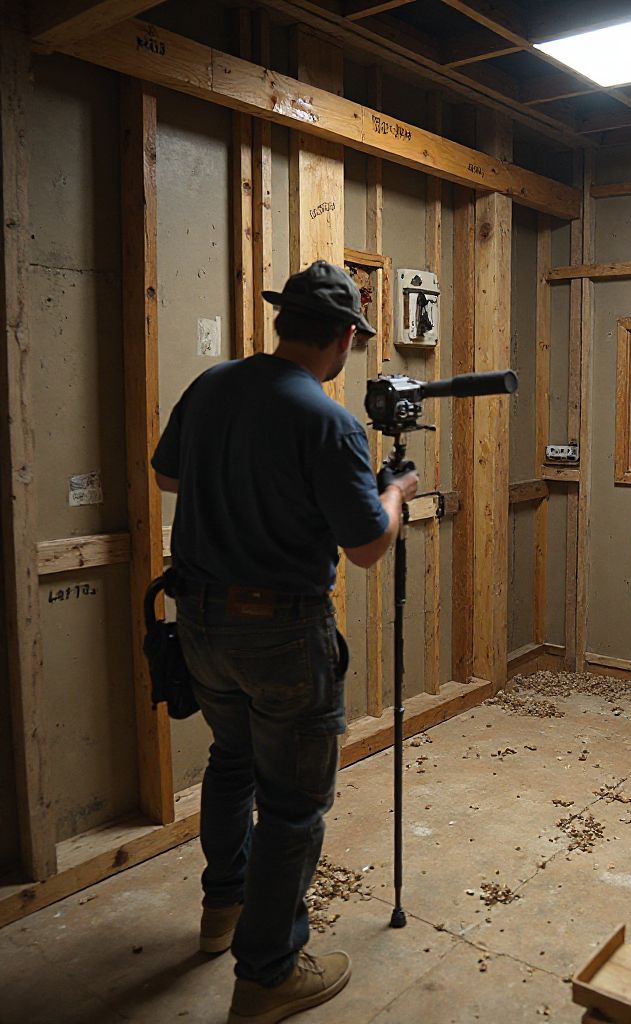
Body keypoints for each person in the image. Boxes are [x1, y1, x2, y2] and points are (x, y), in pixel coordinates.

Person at [151, 260, 418, 1024]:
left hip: (200, 623)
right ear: (341, 336)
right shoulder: (328, 420)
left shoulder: (212, 385)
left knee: (232, 763)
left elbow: (168, 477)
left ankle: (222, 910)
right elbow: (367, 547)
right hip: (281, 634)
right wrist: (394, 491)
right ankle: (267, 974)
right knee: (295, 803)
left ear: (282, 322)